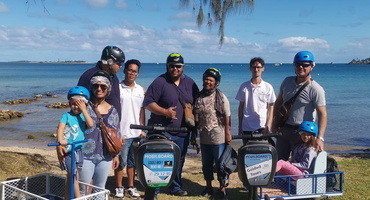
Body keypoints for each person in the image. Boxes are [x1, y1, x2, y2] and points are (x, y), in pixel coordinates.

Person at [143, 53, 199, 197]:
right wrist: (164, 112)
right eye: (172, 66)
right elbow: (148, 103)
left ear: (183, 67)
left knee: (179, 160)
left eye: (178, 66)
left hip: (182, 131)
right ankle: (154, 189)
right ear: (167, 66)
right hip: (162, 131)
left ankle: (175, 187)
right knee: (158, 160)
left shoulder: (191, 83)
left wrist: (195, 129)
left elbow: (197, 105)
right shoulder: (159, 82)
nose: (175, 69)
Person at [272, 51, 327, 161]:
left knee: (299, 167)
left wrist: (320, 138)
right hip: (284, 130)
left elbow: (323, 114)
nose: (301, 67)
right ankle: (279, 179)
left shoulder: (316, 89)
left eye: (305, 65)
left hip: (304, 134)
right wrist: (274, 124)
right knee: (278, 164)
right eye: (298, 64)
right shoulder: (287, 81)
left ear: (311, 66)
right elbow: (278, 103)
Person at [78, 70, 120, 194]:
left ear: (108, 88)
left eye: (103, 86)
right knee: (83, 189)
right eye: (96, 86)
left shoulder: (113, 110)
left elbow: (116, 133)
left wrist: (116, 155)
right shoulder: (84, 107)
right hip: (85, 155)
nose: (99, 89)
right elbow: (71, 126)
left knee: (99, 189)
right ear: (91, 87)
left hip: (105, 156)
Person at [194, 68, 231, 199]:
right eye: (206, 79)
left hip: (218, 136)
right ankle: (208, 186)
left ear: (216, 82)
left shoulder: (221, 97)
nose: (207, 82)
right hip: (204, 136)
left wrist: (227, 132)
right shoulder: (198, 97)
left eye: (211, 80)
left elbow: (227, 115)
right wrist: (194, 136)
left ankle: (222, 188)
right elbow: (195, 117)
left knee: (221, 164)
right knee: (206, 164)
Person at [114, 59, 146, 199]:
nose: (132, 73)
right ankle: (119, 187)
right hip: (122, 132)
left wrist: (142, 128)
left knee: (133, 162)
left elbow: (142, 111)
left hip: (136, 133)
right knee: (122, 161)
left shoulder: (140, 90)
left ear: (137, 74)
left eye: (135, 71)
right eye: (130, 70)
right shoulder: (117, 88)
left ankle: (131, 187)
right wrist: (116, 131)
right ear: (125, 70)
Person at [56, 86, 94, 199]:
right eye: (73, 104)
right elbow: (60, 128)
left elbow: (91, 124)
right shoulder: (66, 116)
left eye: (79, 104)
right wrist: (60, 141)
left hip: (78, 150)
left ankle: (67, 197)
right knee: (73, 175)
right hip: (68, 151)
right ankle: (78, 198)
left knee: (73, 176)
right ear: (69, 104)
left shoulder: (83, 116)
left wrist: (84, 109)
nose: (76, 107)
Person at [235, 57, 276, 145]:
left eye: (259, 67)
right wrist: (240, 126)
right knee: (248, 152)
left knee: (264, 151)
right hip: (247, 126)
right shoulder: (244, 86)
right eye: (254, 67)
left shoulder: (268, 87)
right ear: (250, 69)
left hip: (262, 126)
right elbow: (241, 107)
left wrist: (268, 125)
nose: (256, 69)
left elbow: (271, 108)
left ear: (263, 69)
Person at [77, 45, 125, 119]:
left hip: (113, 125)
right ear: (110, 62)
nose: (120, 66)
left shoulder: (114, 77)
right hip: (96, 125)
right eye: (118, 63)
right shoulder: (89, 76)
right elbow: (78, 101)